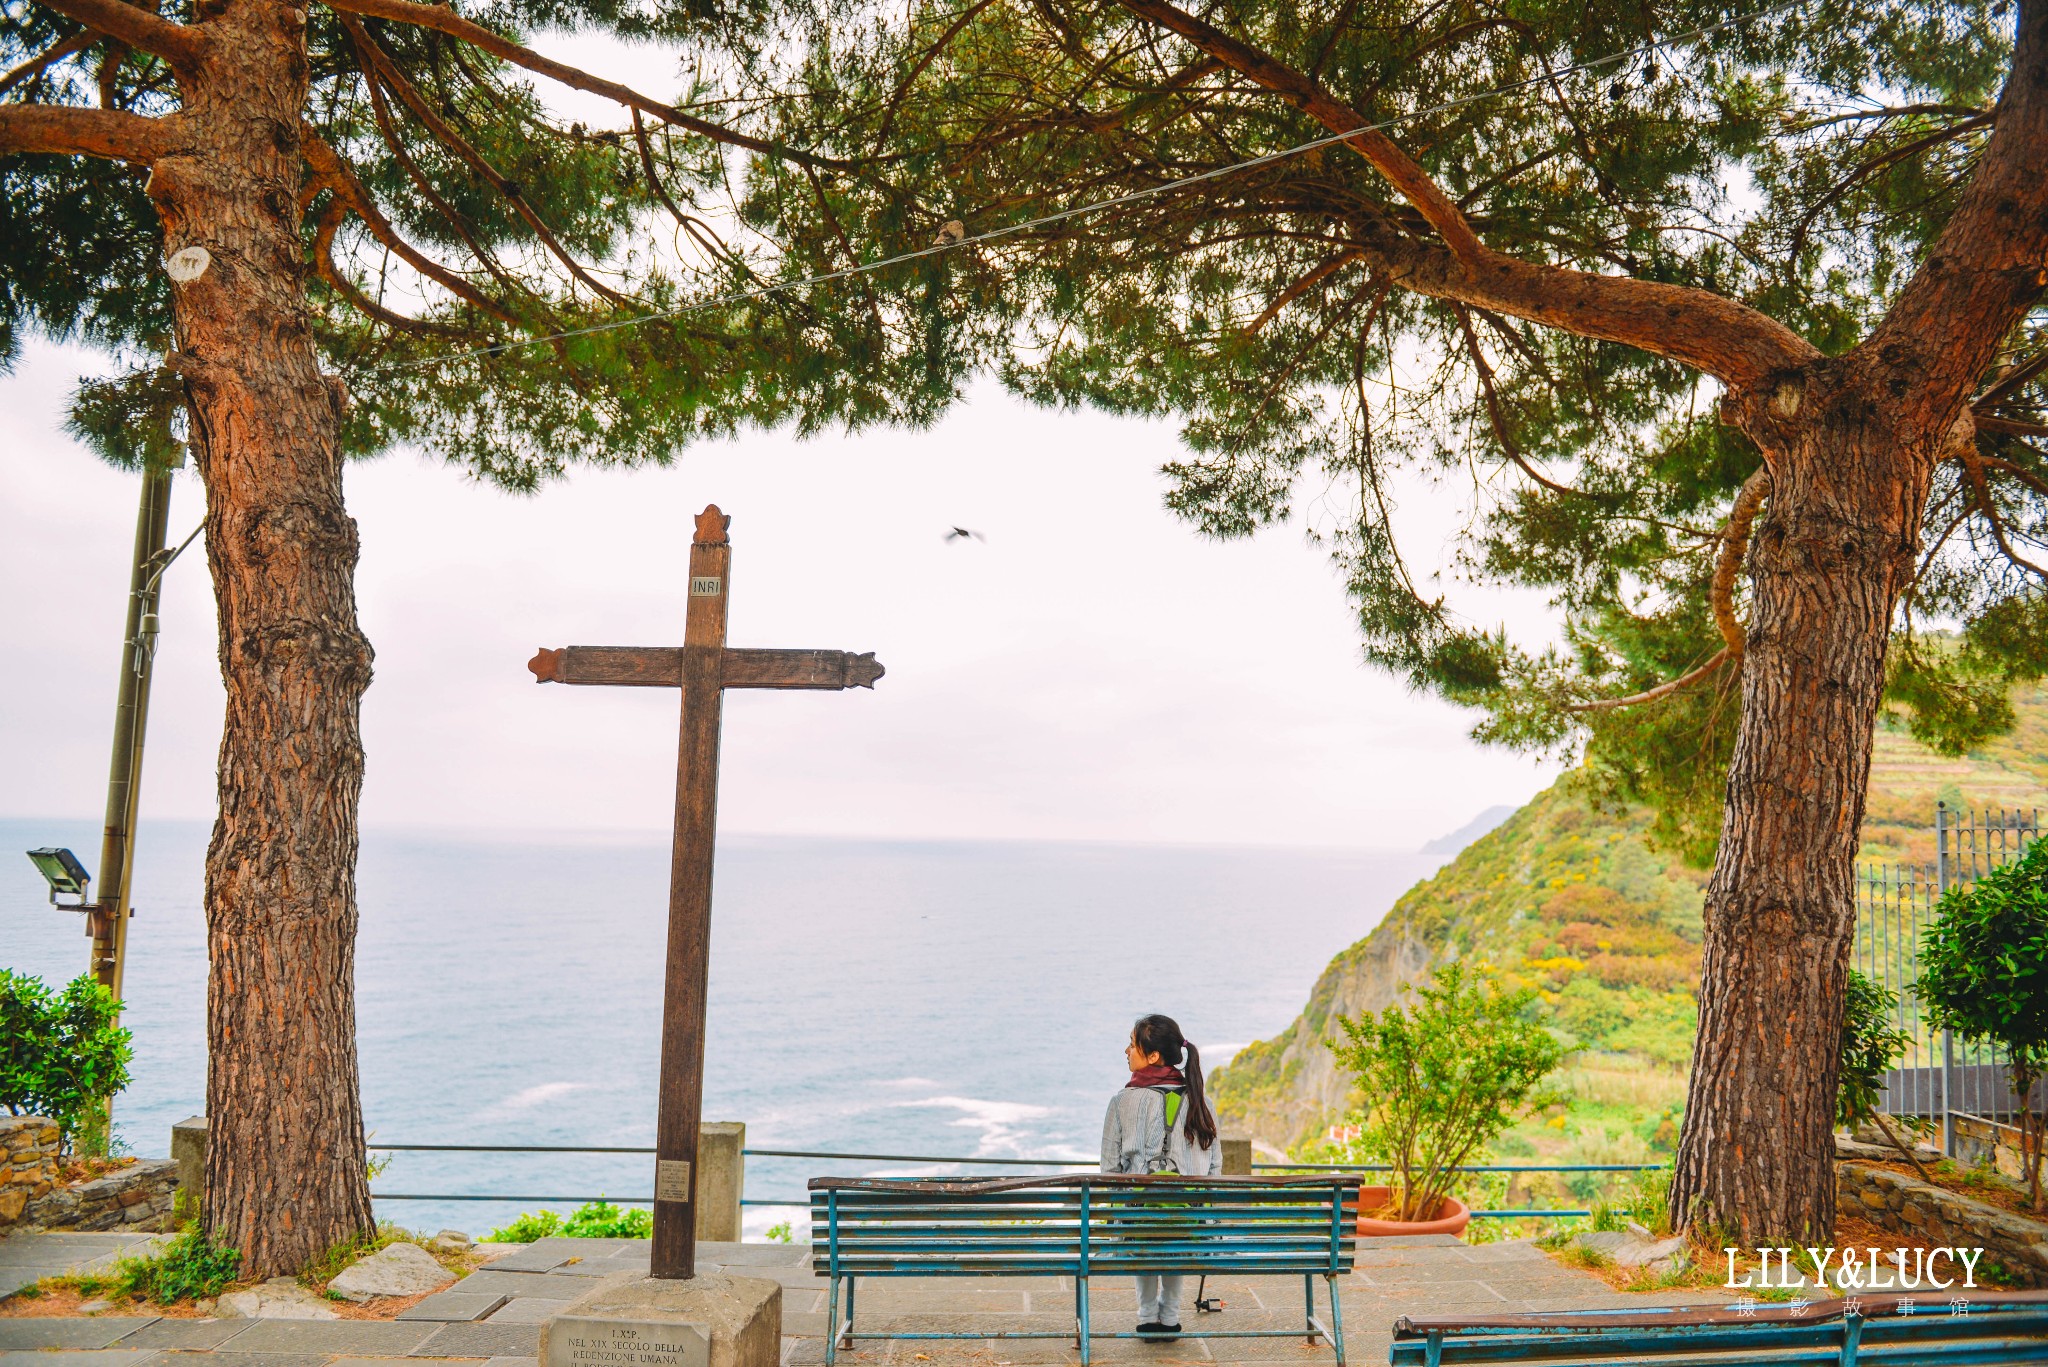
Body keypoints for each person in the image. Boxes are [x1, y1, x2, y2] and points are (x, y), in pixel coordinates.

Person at [1100, 1013, 1220, 1342]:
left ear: (1153, 1056)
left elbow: (1109, 1171)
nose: (1126, 1051)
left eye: (1132, 1044)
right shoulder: (1203, 1102)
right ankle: (1170, 1316)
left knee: (1143, 1222)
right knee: (1176, 1227)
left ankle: (1147, 1315)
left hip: (1138, 1221)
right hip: (1191, 1224)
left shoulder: (1122, 1101)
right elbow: (1215, 1168)